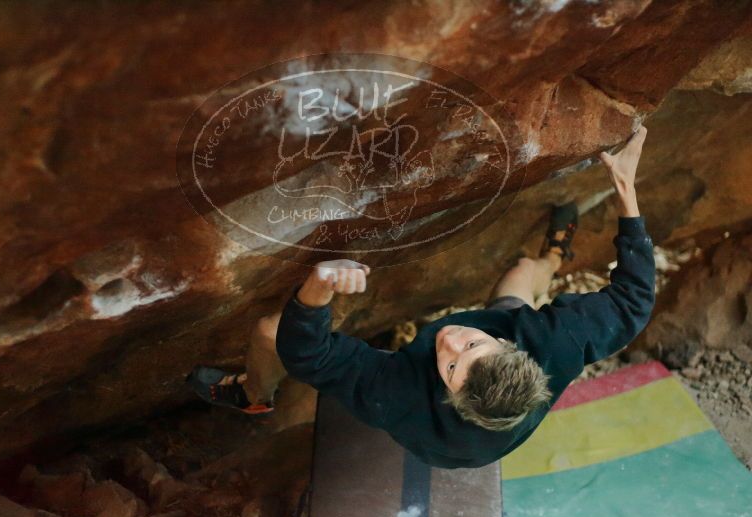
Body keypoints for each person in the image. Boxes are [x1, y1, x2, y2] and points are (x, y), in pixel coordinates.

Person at [187, 126, 655, 469]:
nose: (450, 341)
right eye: (473, 345)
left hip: (452, 449)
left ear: (449, 395)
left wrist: (318, 286)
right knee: (523, 274)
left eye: (452, 367)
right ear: (513, 348)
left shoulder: (400, 399)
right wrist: (625, 188)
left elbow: (308, 355)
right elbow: (633, 302)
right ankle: (554, 258)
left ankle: (253, 393)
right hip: (509, 371)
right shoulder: (557, 342)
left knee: (272, 331)